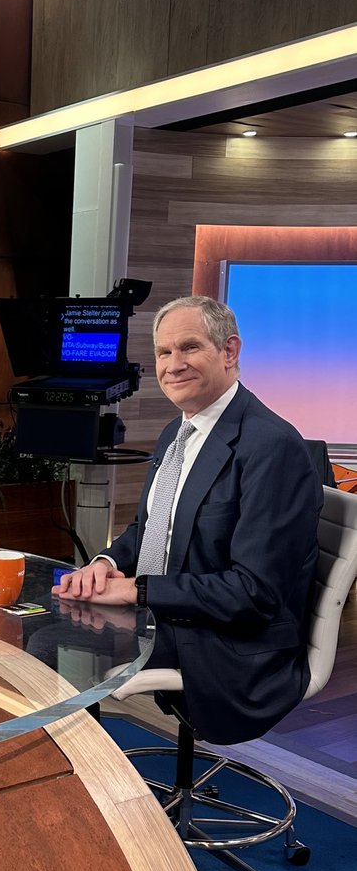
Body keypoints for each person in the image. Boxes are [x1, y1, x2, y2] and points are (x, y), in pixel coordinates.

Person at [54, 295, 322, 745]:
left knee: (57, 652)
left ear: (230, 352)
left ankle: (88, 799)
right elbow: (147, 529)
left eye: (189, 347)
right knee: (49, 623)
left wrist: (138, 589)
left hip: (234, 649)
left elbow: (254, 593)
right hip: (174, 617)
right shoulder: (178, 432)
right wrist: (106, 563)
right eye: (163, 352)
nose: (172, 364)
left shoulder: (272, 448)